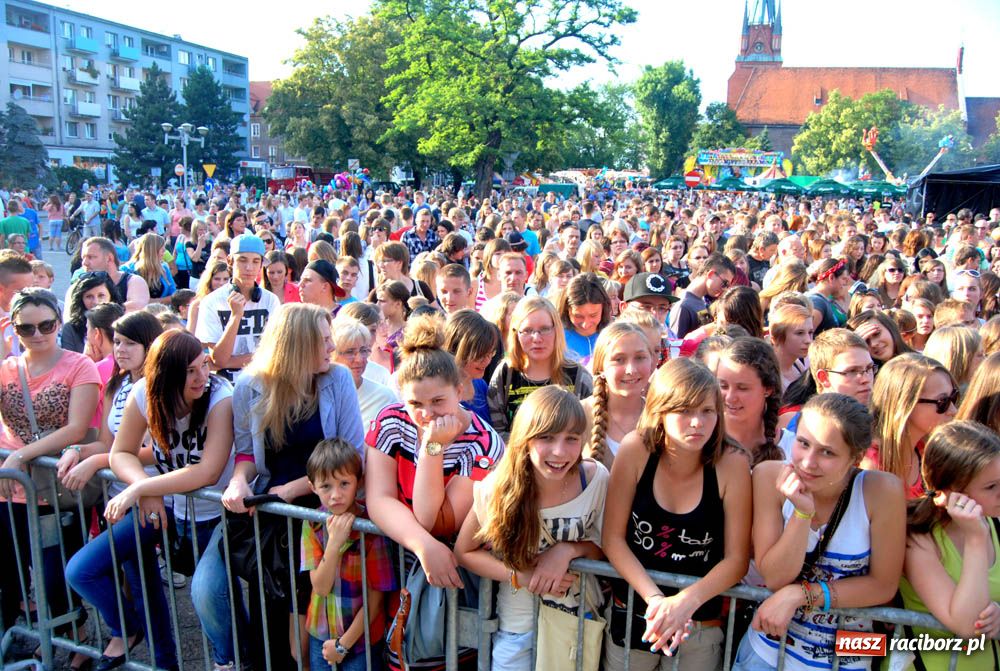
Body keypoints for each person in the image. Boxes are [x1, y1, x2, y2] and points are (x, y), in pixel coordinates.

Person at [193, 302, 364, 670]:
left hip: (320, 513)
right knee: (268, 621)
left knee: (313, 625)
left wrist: (292, 490)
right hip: (272, 522)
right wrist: (238, 481)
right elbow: (246, 453)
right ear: (297, 345)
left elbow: (351, 455)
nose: (331, 347)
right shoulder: (251, 387)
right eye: (323, 341)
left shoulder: (337, 380)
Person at [66, 330, 234, 671]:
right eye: (190, 370)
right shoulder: (145, 393)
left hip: (216, 517)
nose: (202, 376)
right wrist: (147, 487)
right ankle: (130, 633)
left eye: (203, 365)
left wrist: (140, 489)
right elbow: (121, 453)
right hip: (165, 510)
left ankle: (233, 657)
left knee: (210, 596)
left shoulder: (221, 395)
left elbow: (209, 472)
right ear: (167, 372)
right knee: (82, 570)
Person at [365, 314, 505, 670]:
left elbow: (435, 521)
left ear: (460, 390)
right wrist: (422, 545)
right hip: (402, 560)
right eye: (416, 404)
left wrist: (432, 446)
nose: (427, 414)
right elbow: (378, 497)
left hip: (456, 577)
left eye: (438, 401)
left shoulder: (484, 442)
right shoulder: (390, 420)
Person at [732, 394, 905, 671]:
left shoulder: (882, 491)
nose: (808, 462)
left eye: (827, 452)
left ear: (856, 457)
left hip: (846, 659)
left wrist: (800, 595)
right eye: (803, 443)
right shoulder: (767, 476)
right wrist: (802, 514)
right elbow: (775, 577)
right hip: (766, 654)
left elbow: (883, 586)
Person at [603, 358, 751, 670]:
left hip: (699, 626)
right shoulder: (636, 450)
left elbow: (736, 559)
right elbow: (613, 539)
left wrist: (685, 603)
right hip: (634, 614)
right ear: (660, 411)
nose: (697, 422)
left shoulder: (732, 463)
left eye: (707, 411)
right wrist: (657, 601)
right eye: (684, 411)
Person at [455, 386, 608, 670]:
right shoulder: (499, 486)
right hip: (518, 626)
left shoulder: (595, 479)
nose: (559, 452)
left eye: (571, 439)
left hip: (574, 620)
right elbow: (464, 551)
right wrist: (518, 576)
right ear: (525, 438)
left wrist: (567, 551)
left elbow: (606, 547)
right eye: (546, 438)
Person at [0, 288, 99, 663]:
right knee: (15, 573)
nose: (38, 334)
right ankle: (37, 633)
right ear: (14, 328)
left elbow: (76, 429)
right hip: (9, 489)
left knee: (58, 574)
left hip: (55, 487)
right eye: (27, 328)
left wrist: (19, 457)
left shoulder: (78, 365)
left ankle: (77, 636)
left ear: (59, 322)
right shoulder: (7, 368)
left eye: (46, 325)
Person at [899, 421, 1000, 670]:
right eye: (991, 487)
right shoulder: (917, 536)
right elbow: (968, 624)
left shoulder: (995, 519)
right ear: (950, 491)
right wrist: (976, 539)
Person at [302, 439, 397, 671]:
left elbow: (374, 603)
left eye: (344, 483)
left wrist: (342, 646)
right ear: (312, 486)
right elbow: (321, 587)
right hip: (321, 633)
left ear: (359, 482)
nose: (336, 495)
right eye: (326, 486)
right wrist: (334, 543)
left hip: (360, 640)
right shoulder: (312, 524)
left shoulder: (371, 527)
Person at [488, 296, 593, 440]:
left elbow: (588, 432)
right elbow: (497, 433)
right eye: (527, 330)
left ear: (557, 330)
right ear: (515, 333)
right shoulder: (505, 374)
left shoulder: (578, 376)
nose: (536, 338)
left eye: (544, 329)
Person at [865, 353, 958, 499]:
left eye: (954, 397)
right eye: (943, 402)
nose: (953, 410)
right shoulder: (871, 465)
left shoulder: (927, 451)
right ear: (905, 405)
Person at [195, 234, 281, 380]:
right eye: (242, 260)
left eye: (255, 261)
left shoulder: (271, 300)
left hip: (264, 378)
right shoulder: (211, 302)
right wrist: (235, 317)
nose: (249, 267)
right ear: (230, 261)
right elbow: (220, 360)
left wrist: (230, 361)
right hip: (226, 382)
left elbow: (276, 352)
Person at [582, 322, 655, 469]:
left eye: (640, 357)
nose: (631, 370)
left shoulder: (661, 416)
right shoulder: (578, 415)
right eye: (619, 359)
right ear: (600, 367)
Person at [717, 337, 784, 465]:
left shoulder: (792, 446)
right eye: (723, 386)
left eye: (742, 388)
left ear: (768, 389)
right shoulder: (703, 442)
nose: (730, 397)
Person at [331, 319, 398, 425]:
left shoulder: (384, 398)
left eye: (363, 350)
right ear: (331, 354)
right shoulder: (317, 395)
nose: (359, 359)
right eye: (350, 352)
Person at [443, 309, 500, 427]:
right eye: (479, 355)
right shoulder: (438, 394)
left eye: (491, 353)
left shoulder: (480, 384)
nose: (487, 361)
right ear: (456, 349)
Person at [669, 253, 737, 339]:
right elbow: (676, 345)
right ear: (711, 274)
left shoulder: (700, 300)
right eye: (725, 283)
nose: (725, 289)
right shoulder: (683, 305)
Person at [76, 237, 150, 312]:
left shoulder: (133, 282)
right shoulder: (78, 285)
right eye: (83, 258)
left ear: (109, 258)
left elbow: (135, 308)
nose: (84, 263)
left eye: (91, 257)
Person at [557, 273, 613, 366]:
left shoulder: (613, 335)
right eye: (578, 316)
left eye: (593, 315)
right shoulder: (557, 337)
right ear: (567, 310)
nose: (585, 324)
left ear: (604, 309)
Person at [60, 271, 117, 354]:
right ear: (81, 300)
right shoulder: (71, 328)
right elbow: (69, 363)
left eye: (101, 296)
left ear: (111, 296)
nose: (96, 302)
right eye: (89, 297)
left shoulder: (122, 323)